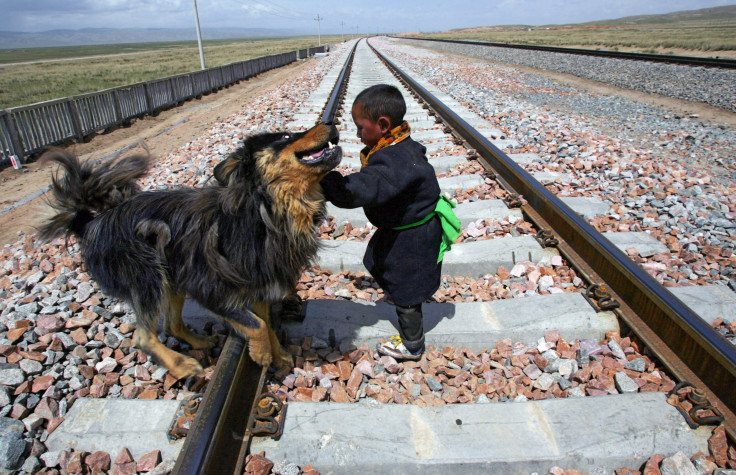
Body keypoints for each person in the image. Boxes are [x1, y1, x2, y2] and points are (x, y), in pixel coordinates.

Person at [320, 84, 460, 360]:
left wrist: (325, 178)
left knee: (406, 286)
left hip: (413, 236)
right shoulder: (399, 143)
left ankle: (412, 345)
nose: (358, 134)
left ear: (383, 125)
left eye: (361, 127)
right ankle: (405, 301)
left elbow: (359, 190)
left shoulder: (393, 162)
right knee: (388, 265)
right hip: (410, 227)